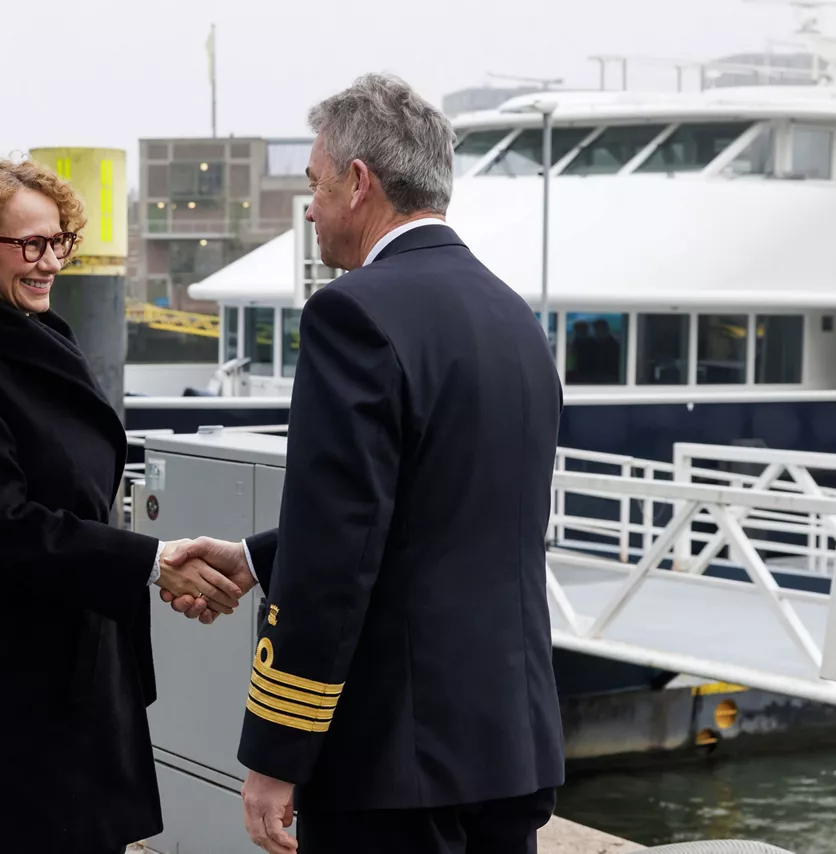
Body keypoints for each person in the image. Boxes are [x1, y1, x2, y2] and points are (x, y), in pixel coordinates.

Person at [163, 73, 566, 854]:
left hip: (395, 762)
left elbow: (336, 554)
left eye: (313, 185)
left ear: (358, 182)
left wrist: (277, 756)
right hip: (507, 746)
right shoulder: (514, 317)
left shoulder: (353, 313)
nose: (308, 208)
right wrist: (253, 558)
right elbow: (442, 511)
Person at [0, 158, 243, 853]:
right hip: (7, 668)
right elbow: (4, 524)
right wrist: (151, 562)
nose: (50, 261)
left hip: (84, 654)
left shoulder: (43, 335)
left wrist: (149, 565)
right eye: (30, 244)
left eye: (59, 241)